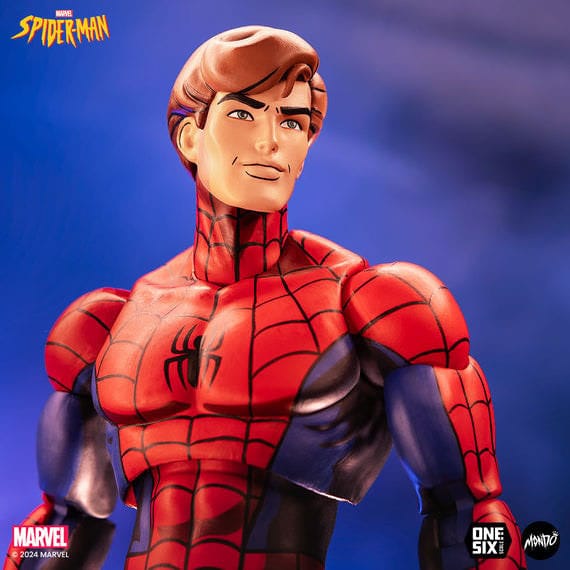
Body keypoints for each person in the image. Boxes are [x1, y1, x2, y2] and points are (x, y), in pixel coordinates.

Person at [5, 26, 526, 570]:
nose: (271, 142)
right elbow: (60, 524)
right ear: (189, 137)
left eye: (293, 122)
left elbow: (470, 514)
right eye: (243, 114)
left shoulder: (376, 304)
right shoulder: (103, 326)